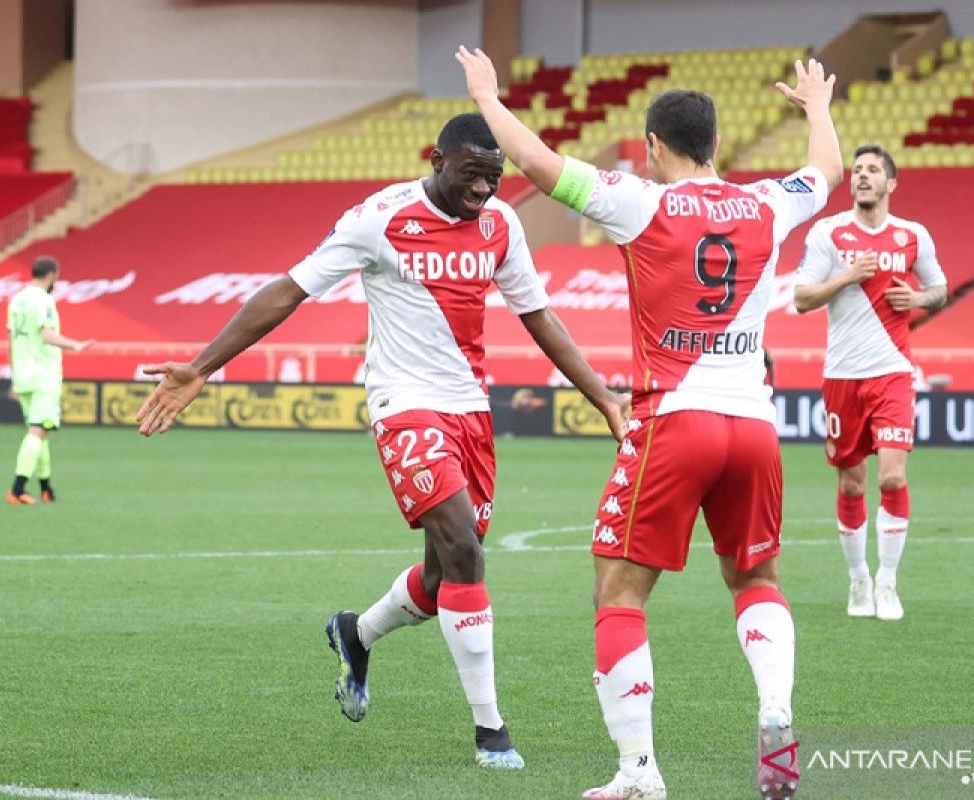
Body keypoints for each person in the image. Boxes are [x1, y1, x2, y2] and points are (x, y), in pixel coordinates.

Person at [134, 113, 628, 770]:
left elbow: (538, 315)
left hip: (469, 412)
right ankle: (491, 732)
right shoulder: (379, 218)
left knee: (442, 573)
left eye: (493, 176)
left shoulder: (501, 226)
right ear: (437, 159)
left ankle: (356, 632)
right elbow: (289, 290)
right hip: (403, 406)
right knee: (464, 551)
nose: (483, 190)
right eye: (470, 175)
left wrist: (601, 395)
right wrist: (202, 365)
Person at [459, 47, 842, 800]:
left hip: (676, 422)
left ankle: (639, 771)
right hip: (756, 427)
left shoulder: (641, 200)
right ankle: (775, 710)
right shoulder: (769, 202)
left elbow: (538, 165)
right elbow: (825, 171)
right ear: (717, 146)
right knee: (756, 576)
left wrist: (488, 97)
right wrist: (818, 108)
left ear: (654, 146)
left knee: (620, 593)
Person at [792, 144, 947, 622]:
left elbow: (941, 290)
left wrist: (918, 297)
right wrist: (847, 277)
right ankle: (858, 578)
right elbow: (800, 297)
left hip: (893, 371)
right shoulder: (829, 232)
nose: (862, 176)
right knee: (853, 483)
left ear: (890, 184)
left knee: (893, 476)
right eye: (857, 170)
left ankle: (887, 583)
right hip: (842, 376)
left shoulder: (912, 235)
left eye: (873, 170)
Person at [5, 255, 93, 504]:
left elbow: (11, 341)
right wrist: (74, 345)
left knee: (39, 431)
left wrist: (14, 376)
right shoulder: (43, 300)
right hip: (44, 375)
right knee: (38, 431)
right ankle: (17, 489)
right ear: (52, 274)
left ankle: (46, 488)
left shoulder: (16, 300)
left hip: (23, 375)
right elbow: (46, 334)